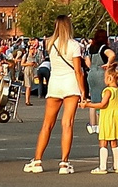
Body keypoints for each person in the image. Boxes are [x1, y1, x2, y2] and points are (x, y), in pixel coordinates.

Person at [24, 15, 87, 174]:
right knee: (67, 124)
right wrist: (83, 91)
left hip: (55, 83)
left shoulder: (50, 43)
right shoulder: (74, 45)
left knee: (47, 124)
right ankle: (64, 163)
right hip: (71, 83)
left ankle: (37, 160)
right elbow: (78, 71)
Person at [92, 66, 118, 173]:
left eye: (105, 77)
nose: (104, 79)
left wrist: (88, 105)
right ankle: (116, 166)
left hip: (107, 117)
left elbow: (102, 104)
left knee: (103, 141)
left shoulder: (108, 91)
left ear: (110, 78)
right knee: (114, 142)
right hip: (117, 118)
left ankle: (102, 167)